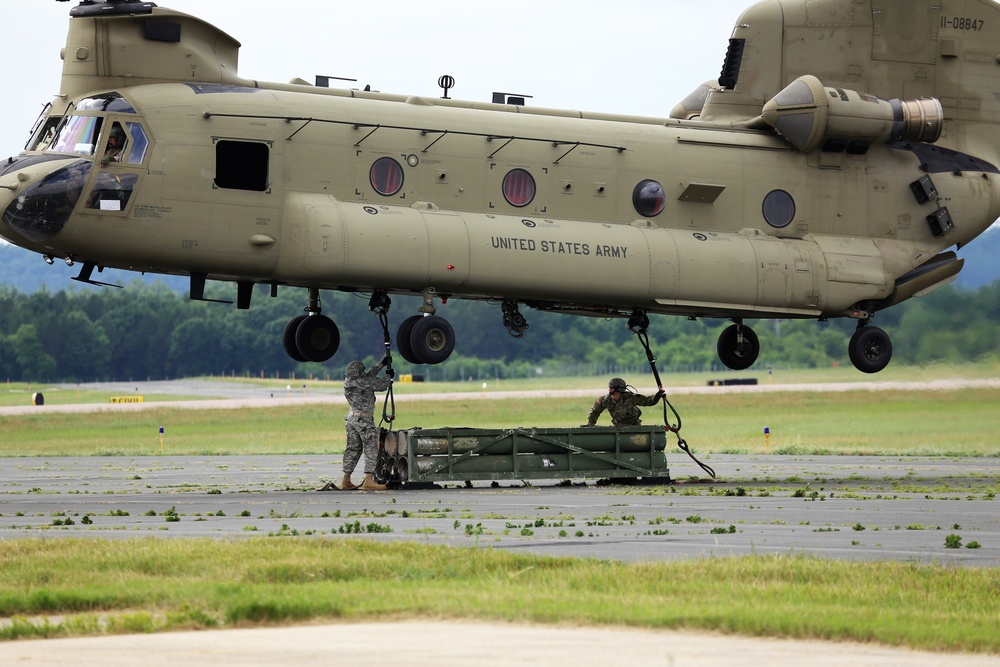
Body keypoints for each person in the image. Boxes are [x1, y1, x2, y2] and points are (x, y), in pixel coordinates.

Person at [341, 357, 393, 491]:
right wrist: (388, 376)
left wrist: (381, 364)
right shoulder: (362, 382)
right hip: (363, 421)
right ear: (358, 372)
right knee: (371, 449)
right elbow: (381, 385)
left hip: (353, 419)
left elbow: (369, 375)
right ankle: (368, 481)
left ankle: (346, 480)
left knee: (353, 449)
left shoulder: (351, 381)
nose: (364, 372)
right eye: (362, 370)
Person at [585, 377, 664, 427]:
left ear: (619, 389)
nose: (610, 389)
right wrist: (590, 424)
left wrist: (658, 395)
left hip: (634, 427)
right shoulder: (605, 400)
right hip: (618, 427)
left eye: (612, 387)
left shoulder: (630, 398)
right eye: (609, 387)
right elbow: (595, 411)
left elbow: (649, 401)